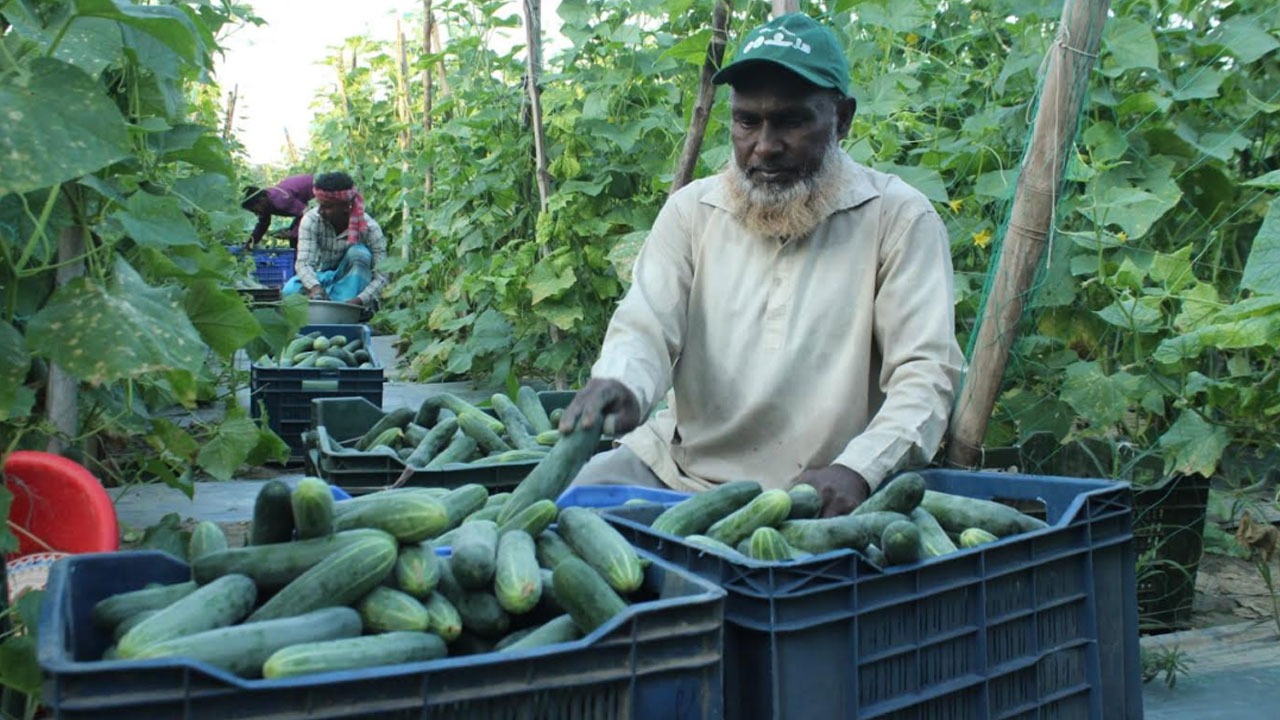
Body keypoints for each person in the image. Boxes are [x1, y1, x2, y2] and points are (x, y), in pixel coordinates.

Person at [560, 13, 964, 517]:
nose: (765, 146)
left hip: (821, 493)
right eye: (747, 121)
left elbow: (926, 374)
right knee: (563, 510)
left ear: (842, 119)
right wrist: (620, 381)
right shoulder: (692, 212)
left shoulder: (897, 218)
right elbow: (644, 327)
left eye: (791, 121)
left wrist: (860, 468)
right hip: (680, 473)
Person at [281, 172, 389, 308]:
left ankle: (348, 306)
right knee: (290, 291)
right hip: (321, 278)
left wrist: (359, 300)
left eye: (327, 207)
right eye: (320, 205)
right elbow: (304, 263)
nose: (321, 211)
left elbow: (382, 275)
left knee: (359, 253)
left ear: (346, 206)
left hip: (353, 282)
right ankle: (334, 303)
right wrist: (315, 287)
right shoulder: (311, 220)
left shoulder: (369, 228)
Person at [241, 173, 314, 250]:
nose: (256, 214)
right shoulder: (266, 203)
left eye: (255, 210)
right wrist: (250, 243)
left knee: (296, 239)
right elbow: (263, 225)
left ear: (261, 201)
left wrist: (292, 234)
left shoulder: (280, 201)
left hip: (319, 193)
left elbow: (307, 214)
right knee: (294, 237)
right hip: (306, 207)